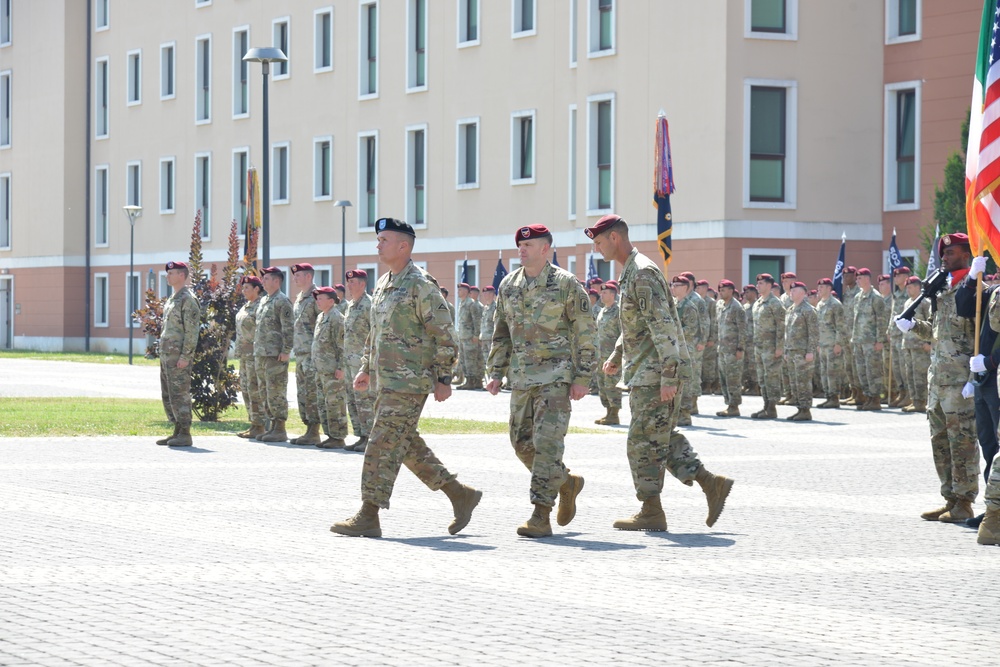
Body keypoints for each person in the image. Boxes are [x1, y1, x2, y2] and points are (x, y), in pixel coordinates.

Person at [331, 218, 482, 538]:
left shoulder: (420, 284)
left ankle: (369, 513)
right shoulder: (384, 283)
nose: (378, 244)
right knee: (403, 442)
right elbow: (376, 332)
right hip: (386, 379)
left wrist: (444, 378)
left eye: (384, 239)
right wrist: (366, 368)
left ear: (404, 246)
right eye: (378, 239)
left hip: (410, 381)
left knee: (380, 442)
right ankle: (459, 494)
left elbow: (444, 333)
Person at [587, 214, 733, 531]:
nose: (597, 249)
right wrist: (616, 354)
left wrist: (668, 376)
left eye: (599, 242)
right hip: (644, 371)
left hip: (654, 375)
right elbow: (636, 324)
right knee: (660, 438)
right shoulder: (632, 274)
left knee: (641, 443)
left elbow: (662, 326)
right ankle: (710, 484)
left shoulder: (641, 273)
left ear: (614, 238)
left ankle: (652, 510)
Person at [487, 224, 593, 538]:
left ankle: (540, 514)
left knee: (547, 447)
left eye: (529, 245)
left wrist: (583, 376)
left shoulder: (566, 284)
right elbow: (501, 333)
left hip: (555, 378)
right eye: (520, 244)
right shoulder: (509, 285)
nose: (522, 249)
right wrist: (495, 372)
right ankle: (566, 482)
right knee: (521, 444)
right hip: (521, 377)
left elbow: (585, 332)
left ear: (545, 248)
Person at [896, 233, 979, 523]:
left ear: (966, 254)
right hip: (938, 378)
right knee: (940, 441)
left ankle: (965, 502)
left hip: (960, 381)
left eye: (952, 252)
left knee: (963, 441)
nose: (944, 257)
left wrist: (975, 377)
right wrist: (913, 325)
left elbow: (981, 335)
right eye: (943, 252)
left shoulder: (976, 288)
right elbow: (935, 331)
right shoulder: (942, 289)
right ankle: (949, 498)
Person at [960, 255, 998, 528]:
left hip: (994, 373)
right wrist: (972, 278)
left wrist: (991, 361)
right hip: (985, 381)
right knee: (989, 447)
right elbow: (964, 307)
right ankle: (992, 509)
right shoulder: (994, 292)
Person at [156, 261, 200, 447]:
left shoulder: (187, 299)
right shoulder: (173, 298)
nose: (168, 276)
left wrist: (185, 356)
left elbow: (192, 331)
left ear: (182, 275)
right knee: (169, 394)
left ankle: (185, 432)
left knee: (179, 393)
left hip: (178, 356)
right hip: (167, 354)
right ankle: (177, 430)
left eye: (172, 273)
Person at [254, 266, 294, 443]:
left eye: (267, 278)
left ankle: (280, 428)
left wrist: (286, 350)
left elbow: (288, 327)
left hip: (275, 354)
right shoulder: (264, 300)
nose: (263, 281)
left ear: (277, 281)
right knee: (264, 390)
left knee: (276, 390)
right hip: (262, 353)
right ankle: (271, 425)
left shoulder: (282, 301)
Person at [311, 286, 348, 450]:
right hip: (321, 369)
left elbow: (342, 346)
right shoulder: (321, 317)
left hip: (333, 370)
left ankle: (338, 436)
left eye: (321, 298)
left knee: (335, 403)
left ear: (331, 301)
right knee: (323, 403)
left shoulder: (337, 318)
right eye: (317, 298)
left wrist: (341, 367)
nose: (317, 301)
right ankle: (330, 435)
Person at [289, 263, 322, 446]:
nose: (294, 279)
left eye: (298, 276)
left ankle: (314, 431)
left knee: (311, 392)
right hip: (300, 353)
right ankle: (308, 428)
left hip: (312, 353)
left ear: (308, 277)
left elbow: (322, 324)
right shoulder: (300, 297)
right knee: (302, 393)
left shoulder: (317, 297)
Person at [343, 269, 374, 452]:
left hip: (362, 363)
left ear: (362, 284)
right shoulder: (350, 305)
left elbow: (375, 334)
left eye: (353, 282)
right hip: (349, 361)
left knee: (365, 400)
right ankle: (361, 435)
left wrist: (369, 363)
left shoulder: (369, 305)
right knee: (353, 400)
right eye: (348, 282)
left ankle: (370, 437)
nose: (349, 285)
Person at [850, 268, 886, 411]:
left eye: (860, 278)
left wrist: (880, 340)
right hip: (859, 340)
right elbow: (856, 319)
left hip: (871, 341)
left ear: (867, 279)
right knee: (862, 371)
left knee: (873, 371)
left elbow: (881, 320)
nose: (857, 281)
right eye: (857, 279)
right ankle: (867, 397)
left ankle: (876, 399)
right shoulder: (858, 297)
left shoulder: (876, 297)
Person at [235, 275, 266, 439]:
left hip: (255, 354)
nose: (244, 290)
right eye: (243, 287)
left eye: (247, 287)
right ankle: (254, 423)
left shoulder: (261, 306)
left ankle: (260, 424)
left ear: (257, 289)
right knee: (246, 389)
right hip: (244, 355)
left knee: (255, 389)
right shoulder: (246, 306)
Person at [783, 281, 819, 421]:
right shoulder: (790, 309)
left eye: (795, 291)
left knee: (803, 381)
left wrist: (810, 351)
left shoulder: (808, 310)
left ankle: (805, 409)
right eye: (791, 291)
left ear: (803, 293)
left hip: (803, 352)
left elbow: (814, 333)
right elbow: (787, 332)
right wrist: (786, 350)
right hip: (792, 352)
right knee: (794, 382)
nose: (791, 293)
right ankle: (799, 408)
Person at [751, 273, 785, 420]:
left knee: (771, 377)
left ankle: (772, 408)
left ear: (769, 286)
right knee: (762, 377)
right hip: (759, 347)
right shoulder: (758, 302)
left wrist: (779, 347)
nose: (758, 286)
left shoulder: (775, 303)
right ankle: (766, 405)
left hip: (771, 347)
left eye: (761, 284)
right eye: (757, 283)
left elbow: (782, 326)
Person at [671, 275, 703, 426]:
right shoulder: (675, 304)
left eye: (676, 285)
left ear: (685, 287)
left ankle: (685, 414)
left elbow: (690, 330)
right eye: (673, 285)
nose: (673, 288)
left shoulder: (689, 306)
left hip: (686, 349)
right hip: (676, 348)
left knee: (685, 383)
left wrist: (672, 332)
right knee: (676, 382)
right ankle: (677, 413)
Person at [714, 279, 747, 417]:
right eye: (720, 290)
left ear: (731, 291)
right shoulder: (720, 305)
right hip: (722, 349)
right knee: (724, 378)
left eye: (724, 290)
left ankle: (734, 406)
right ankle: (729, 403)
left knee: (733, 378)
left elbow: (743, 329)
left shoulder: (737, 307)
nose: (721, 292)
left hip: (733, 350)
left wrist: (740, 348)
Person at [899, 275, 931, 413]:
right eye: (907, 287)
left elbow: (931, 322)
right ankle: (914, 400)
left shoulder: (924, 302)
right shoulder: (907, 302)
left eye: (910, 287)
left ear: (918, 287)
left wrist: (928, 342)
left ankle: (922, 401)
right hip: (908, 344)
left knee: (920, 374)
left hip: (920, 345)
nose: (908, 290)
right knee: (910, 374)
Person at [815, 278, 848, 409]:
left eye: (822, 287)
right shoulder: (820, 304)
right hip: (822, 344)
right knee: (824, 372)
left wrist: (838, 344)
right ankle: (828, 396)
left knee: (832, 372)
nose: (819, 289)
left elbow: (841, 326)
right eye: (819, 287)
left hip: (832, 344)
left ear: (829, 289)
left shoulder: (835, 304)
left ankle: (834, 398)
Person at [595, 280, 623, 425]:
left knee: (612, 383)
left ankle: (614, 413)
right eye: (601, 292)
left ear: (613, 295)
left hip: (612, 354)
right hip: (601, 354)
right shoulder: (602, 310)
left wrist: (618, 355)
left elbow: (623, 333)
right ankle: (608, 411)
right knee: (602, 383)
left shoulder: (618, 311)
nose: (601, 295)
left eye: (605, 292)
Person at [887, 267, 912, 407]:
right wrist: (889, 330)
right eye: (895, 276)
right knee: (896, 368)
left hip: (905, 336)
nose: (895, 278)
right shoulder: (896, 294)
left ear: (906, 276)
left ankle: (909, 394)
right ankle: (902, 393)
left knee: (905, 367)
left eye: (898, 276)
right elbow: (893, 314)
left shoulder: (909, 294)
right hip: (895, 336)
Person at [456, 283, 484, 390]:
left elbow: (477, 321)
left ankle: (472, 381)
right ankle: (470, 380)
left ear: (466, 292)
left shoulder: (471, 304)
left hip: (470, 337)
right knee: (464, 359)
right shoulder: (462, 303)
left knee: (471, 360)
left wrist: (476, 335)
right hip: (463, 337)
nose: (458, 292)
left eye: (460, 290)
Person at [840, 267, 862, 404]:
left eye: (849, 275)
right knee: (848, 366)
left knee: (856, 365)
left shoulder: (859, 293)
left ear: (855, 276)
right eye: (844, 275)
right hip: (846, 335)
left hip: (856, 335)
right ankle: (853, 392)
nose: (845, 278)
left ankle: (860, 394)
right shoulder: (847, 294)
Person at [741, 285, 759, 395]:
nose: (746, 295)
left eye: (748, 292)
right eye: (745, 293)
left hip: (754, 340)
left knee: (753, 364)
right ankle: (747, 385)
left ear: (753, 293)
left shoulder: (757, 305)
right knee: (746, 364)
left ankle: (756, 387)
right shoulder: (745, 306)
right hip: (745, 339)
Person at [479, 285, 496, 373]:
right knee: (486, 361)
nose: (485, 295)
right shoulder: (485, 308)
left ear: (492, 294)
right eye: (484, 293)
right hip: (484, 338)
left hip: (492, 338)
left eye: (487, 293)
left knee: (493, 361)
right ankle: (490, 380)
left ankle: (495, 381)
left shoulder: (495, 307)